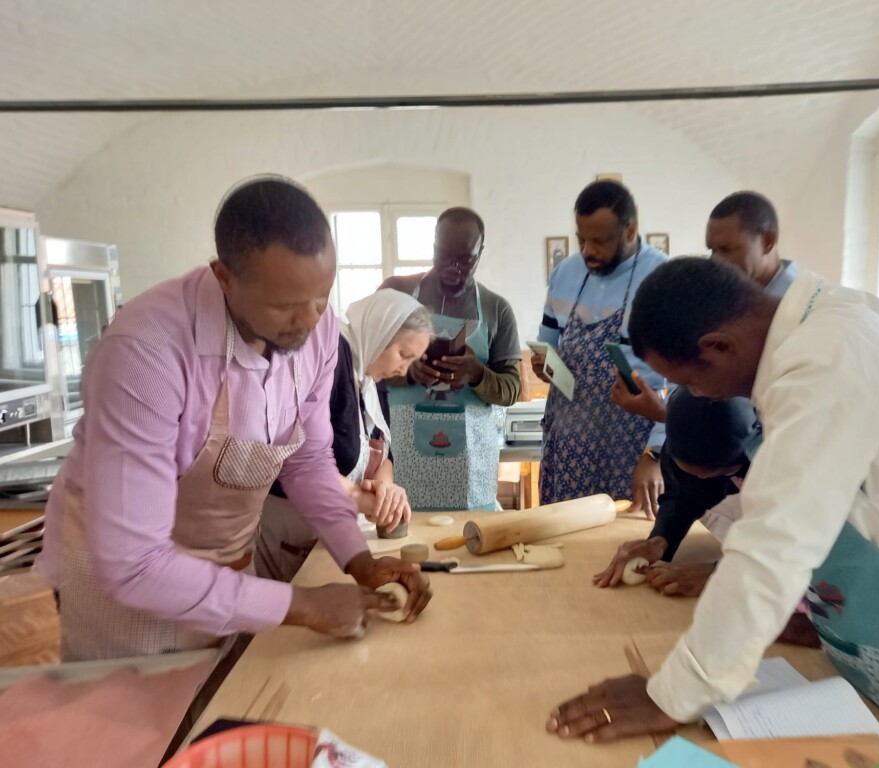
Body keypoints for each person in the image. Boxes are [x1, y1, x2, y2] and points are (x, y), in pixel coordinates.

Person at [548, 258, 879, 768]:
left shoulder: (825, 366)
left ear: (718, 346)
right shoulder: (837, 316)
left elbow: (772, 548)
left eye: (691, 382)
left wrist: (672, 694)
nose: (699, 395)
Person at [36, 176, 431, 662]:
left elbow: (307, 461)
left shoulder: (321, 331)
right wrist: (302, 604)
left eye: (321, 298)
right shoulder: (145, 352)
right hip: (123, 599)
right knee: (149, 710)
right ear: (224, 277)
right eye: (284, 306)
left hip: (227, 580)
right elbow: (134, 564)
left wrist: (359, 559)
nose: (309, 322)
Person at [593, 388, 819, 648]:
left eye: (718, 472)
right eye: (691, 471)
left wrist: (720, 575)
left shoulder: (791, 464)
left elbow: (798, 547)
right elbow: (684, 494)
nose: (702, 480)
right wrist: (661, 539)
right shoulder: (682, 446)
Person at [257, 289, 434, 582]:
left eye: (412, 360)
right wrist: (364, 500)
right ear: (380, 331)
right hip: (293, 529)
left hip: (334, 531)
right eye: (403, 354)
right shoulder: (331, 360)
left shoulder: (371, 376)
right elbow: (299, 460)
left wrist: (385, 489)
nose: (404, 369)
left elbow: (384, 453)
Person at [534, 180, 669, 516]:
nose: (587, 250)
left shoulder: (663, 277)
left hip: (633, 450)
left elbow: (684, 383)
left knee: (628, 540)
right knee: (564, 538)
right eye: (581, 239)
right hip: (569, 446)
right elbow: (548, 344)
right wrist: (546, 364)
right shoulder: (565, 273)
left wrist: (656, 453)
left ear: (630, 231)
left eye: (600, 240)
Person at [612, 191, 797, 425]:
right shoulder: (719, 304)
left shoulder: (795, 320)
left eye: (726, 249)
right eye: (712, 250)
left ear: (768, 240)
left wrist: (664, 414)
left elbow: (746, 428)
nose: (716, 261)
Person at [382, 207, 521, 511]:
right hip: (402, 460)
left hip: (471, 469)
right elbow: (363, 365)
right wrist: (408, 370)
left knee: (469, 535)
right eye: (443, 256)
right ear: (433, 246)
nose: (452, 267)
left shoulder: (496, 309)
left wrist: (478, 374)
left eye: (465, 260)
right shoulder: (395, 294)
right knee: (404, 532)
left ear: (480, 253)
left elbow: (512, 389)